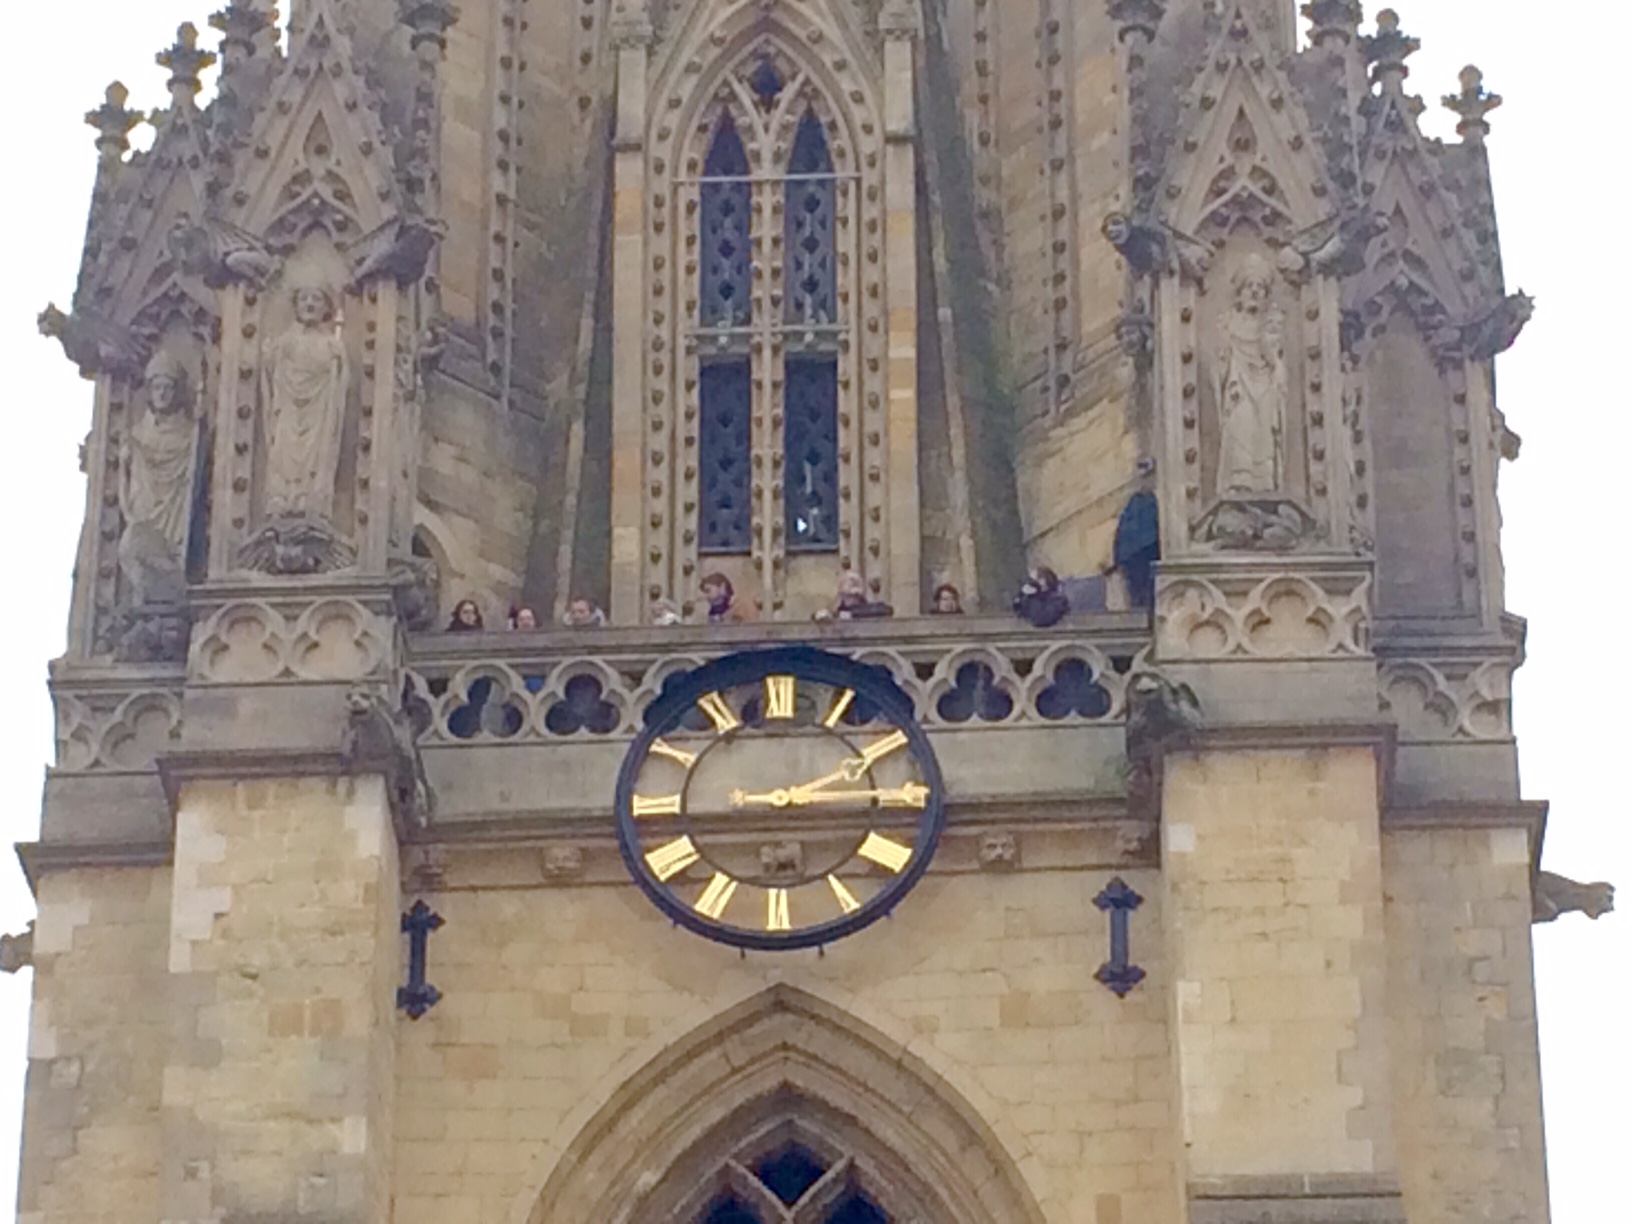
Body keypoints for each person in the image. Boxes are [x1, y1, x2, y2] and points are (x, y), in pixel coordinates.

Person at [1112, 458, 1160, 610]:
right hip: (1136, 555)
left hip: (1145, 552)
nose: (1143, 479)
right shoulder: (1135, 502)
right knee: (1139, 591)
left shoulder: (1149, 501)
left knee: (1145, 590)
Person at [817, 570, 893, 621]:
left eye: (856, 581)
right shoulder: (837, 611)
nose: (853, 583)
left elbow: (885, 610)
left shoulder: (872, 608)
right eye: (850, 580)